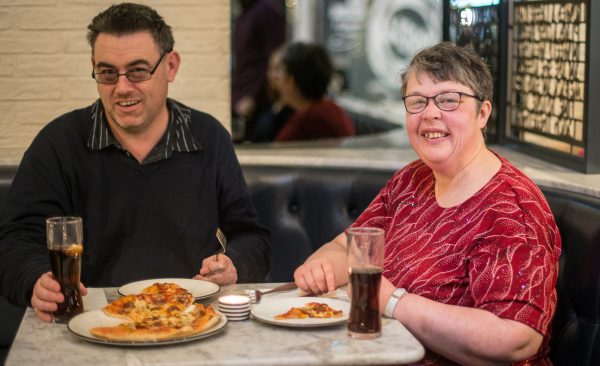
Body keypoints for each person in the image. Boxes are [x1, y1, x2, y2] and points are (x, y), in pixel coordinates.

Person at [0, 3, 270, 322]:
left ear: (170, 66)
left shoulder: (209, 137)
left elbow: (253, 237)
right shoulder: (59, 143)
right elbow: (13, 241)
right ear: (94, 67)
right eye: (107, 72)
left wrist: (233, 263)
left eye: (138, 70)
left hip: (192, 321)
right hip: (91, 322)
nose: (122, 87)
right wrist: (35, 279)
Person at [293, 42, 561, 365]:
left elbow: (515, 338)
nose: (431, 113)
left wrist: (393, 303)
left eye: (449, 100)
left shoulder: (511, 208)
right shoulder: (412, 179)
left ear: (483, 113)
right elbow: (349, 248)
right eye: (417, 102)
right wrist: (320, 267)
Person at [274, 42, 355, 142]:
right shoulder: (333, 109)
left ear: (291, 81)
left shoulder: (306, 121)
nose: (275, 78)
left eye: (280, 71)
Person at [231, 0, 286, 141]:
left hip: (262, 102)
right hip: (244, 100)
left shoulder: (266, 11)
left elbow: (274, 60)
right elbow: (243, 63)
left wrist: (252, 97)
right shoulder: (244, 13)